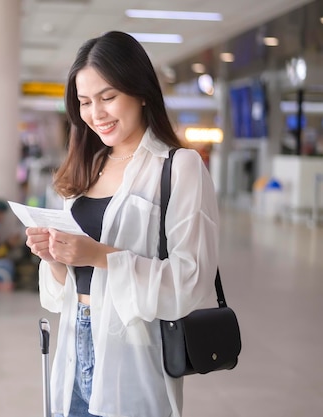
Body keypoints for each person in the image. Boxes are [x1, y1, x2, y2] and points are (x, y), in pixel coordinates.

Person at [25, 31, 219, 417]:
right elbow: (62, 290)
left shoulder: (178, 167)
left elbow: (190, 280)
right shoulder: (84, 168)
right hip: (74, 336)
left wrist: (100, 255)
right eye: (84, 102)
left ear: (141, 91)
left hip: (132, 349)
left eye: (108, 97)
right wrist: (54, 257)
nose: (96, 113)